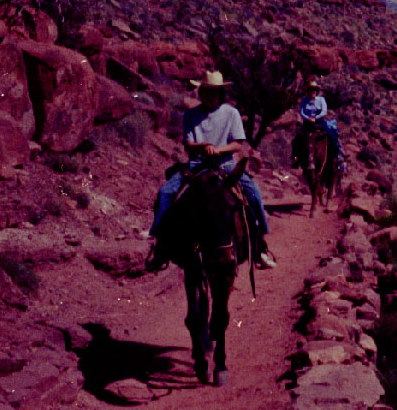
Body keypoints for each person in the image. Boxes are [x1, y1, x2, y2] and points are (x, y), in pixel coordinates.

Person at [147, 71, 275, 271]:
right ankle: (160, 246)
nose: (210, 95)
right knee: (165, 193)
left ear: (220, 93)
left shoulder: (231, 113)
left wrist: (218, 149)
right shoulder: (190, 114)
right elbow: (188, 144)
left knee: (254, 194)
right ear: (201, 92)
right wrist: (203, 146)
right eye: (206, 91)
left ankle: (261, 247)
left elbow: (237, 144)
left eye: (214, 92)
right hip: (196, 165)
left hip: (225, 165)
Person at [291, 78, 345, 173]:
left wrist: (316, 118)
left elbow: (324, 111)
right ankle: (295, 159)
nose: (313, 91)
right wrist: (307, 118)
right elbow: (302, 111)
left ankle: (337, 156)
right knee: (296, 140)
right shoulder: (304, 100)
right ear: (308, 91)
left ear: (316, 90)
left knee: (332, 134)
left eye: (314, 89)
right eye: (311, 89)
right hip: (308, 123)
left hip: (319, 123)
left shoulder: (321, 100)